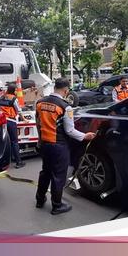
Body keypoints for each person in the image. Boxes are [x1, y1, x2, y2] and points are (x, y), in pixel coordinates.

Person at [35, 78, 95, 215]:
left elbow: (38, 124)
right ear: (66, 90)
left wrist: (39, 140)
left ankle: (39, 199)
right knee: (58, 175)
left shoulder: (40, 102)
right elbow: (70, 130)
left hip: (44, 143)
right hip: (58, 146)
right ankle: (57, 205)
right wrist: (85, 136)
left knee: (45, 172)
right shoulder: (65, 107)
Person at [0, 84, 25, 169]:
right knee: (14, 141)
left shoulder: (1, 98)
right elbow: (19, 110)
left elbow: (0, 108)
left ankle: (5, 162)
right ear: (13, 91)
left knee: (6, 141)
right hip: (11, 121)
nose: (17, 92)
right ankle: (18, 162)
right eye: (16, 90)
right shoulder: (14, 99)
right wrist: (24, 119)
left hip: (2, 121)